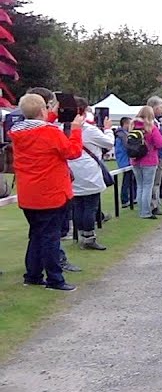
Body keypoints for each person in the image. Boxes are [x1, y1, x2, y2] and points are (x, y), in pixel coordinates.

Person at [11, 93, 83, 291]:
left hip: (29, 194)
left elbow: (37, 127)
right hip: (51, 193)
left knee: (36, 235)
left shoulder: (18, 132)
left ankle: (33, 275)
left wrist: (49, 114)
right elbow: (73, 151)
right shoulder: (50, 133)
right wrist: (76, 130)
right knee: (51, 238)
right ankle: (54, 279)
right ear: (42, 110)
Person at [68, 97, 114, 251]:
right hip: (88, 171)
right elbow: (108, 143)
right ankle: (88, 237)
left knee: (78, 205)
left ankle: (81, 234)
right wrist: (107, 129)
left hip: (71, 171)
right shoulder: (89, 130)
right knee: (90, 206)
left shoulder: (62, 128)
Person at [132, 105, 162, 219]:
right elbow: (160, 143)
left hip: (135, 160)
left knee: (140, 186)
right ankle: (145, 212)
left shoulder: (133, 126)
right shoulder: (151, 127)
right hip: (149, 159)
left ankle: (141, 210)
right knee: (148, 186)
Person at [113, 116, 138, 208]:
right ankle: (125, 200)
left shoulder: (123, 134)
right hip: (125, 161)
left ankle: (133, 197)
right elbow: (128, 147)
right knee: (126, 181)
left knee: (131, 179)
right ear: (126, 124)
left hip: (126, 160)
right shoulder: (122, 135)